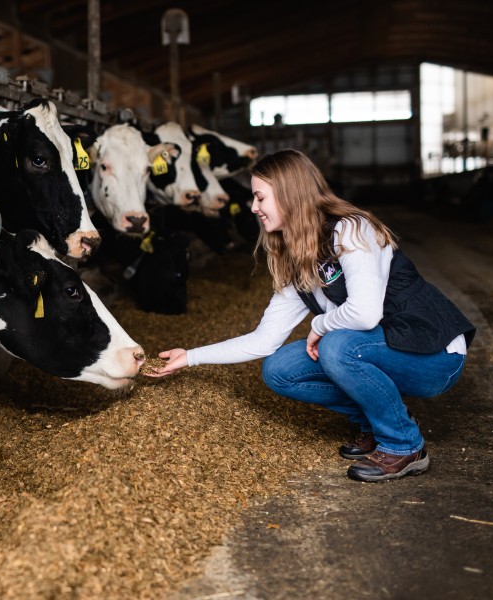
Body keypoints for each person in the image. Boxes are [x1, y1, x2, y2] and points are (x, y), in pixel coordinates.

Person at [145, 149, 476, 483]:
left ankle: (405, 445)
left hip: (435, 356)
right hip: (384, 349)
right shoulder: (297, 259)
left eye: (260, 197)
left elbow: (364, 314)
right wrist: (191, 357)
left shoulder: (351, 229)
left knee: (337, 347)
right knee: (280, 370)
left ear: (290, 194)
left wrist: (319, 324)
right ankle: (380, 422)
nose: (253, 207)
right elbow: (264, 340)